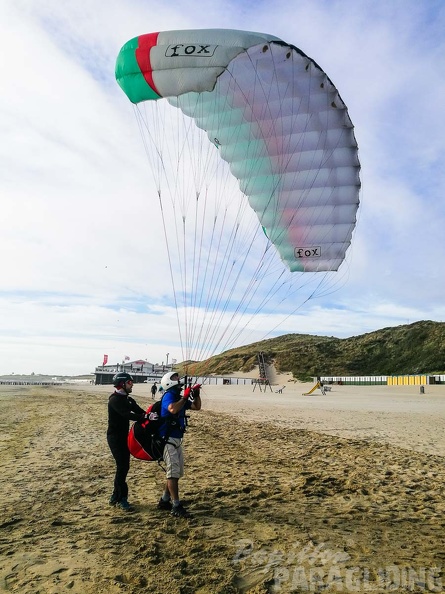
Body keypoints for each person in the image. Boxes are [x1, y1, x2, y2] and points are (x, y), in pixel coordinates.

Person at [157, 371, 201, 517]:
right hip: (167, 440)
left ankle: (164, 500)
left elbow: (196, 407)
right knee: (173, 472)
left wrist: (196, 394)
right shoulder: (169, 396)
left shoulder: (177, 397)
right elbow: (173, 409)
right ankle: (176, 506)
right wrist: (184, 397)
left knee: (175, 472)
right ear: (169, 381)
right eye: (175, 377)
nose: (179, 379)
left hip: (176, 440)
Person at [107, 372, 146, 512]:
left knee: (124, 467)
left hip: (124, 437)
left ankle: (115, 495)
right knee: (122, 466)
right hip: (115, 438)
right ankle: (121, 498)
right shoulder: (114, 400)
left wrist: (150, 415)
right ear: (122, 384)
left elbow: (139, 411)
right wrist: (143, 417)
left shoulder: (128, 399)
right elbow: (127, 414)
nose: (132, 384)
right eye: (130, 382)